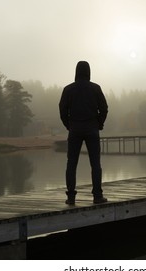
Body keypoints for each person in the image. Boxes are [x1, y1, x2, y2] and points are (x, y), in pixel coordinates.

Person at [59, 61, 108, 205]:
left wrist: (69, 125)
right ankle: (97, 196)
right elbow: (104, 108)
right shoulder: (95, 88)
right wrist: (99, 123)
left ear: (76, 72)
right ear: (88, 72)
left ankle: (71, 197)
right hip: (92, 128)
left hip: (75, 129)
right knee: (95, 164)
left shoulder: (68, 89)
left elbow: (62, 110)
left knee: (71, 163)